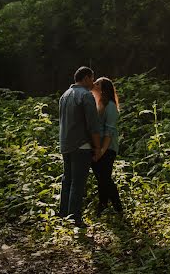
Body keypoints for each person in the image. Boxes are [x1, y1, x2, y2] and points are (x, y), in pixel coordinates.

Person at [58, 66, 101, 227]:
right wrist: (97, 147)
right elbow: (93, 125)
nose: (93, 82)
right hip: (81, 145)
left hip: (66, 144)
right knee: (78, 182)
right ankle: (75, 218)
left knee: (67, 180)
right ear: (85, 78)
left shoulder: (64, 95)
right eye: (92, 78)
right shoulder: (86, 95)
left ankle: (63, 214)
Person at [91, 77, 123, 216]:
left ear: (103, 89)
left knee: (105, 178)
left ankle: (118, 208)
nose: (94, 84)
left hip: (108, 148)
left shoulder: (110, 106)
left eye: (97, 83)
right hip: (98, 147)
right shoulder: (97, 103)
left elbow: (109, 131)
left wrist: (102, 150)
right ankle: (102, 206)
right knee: (101, 178)